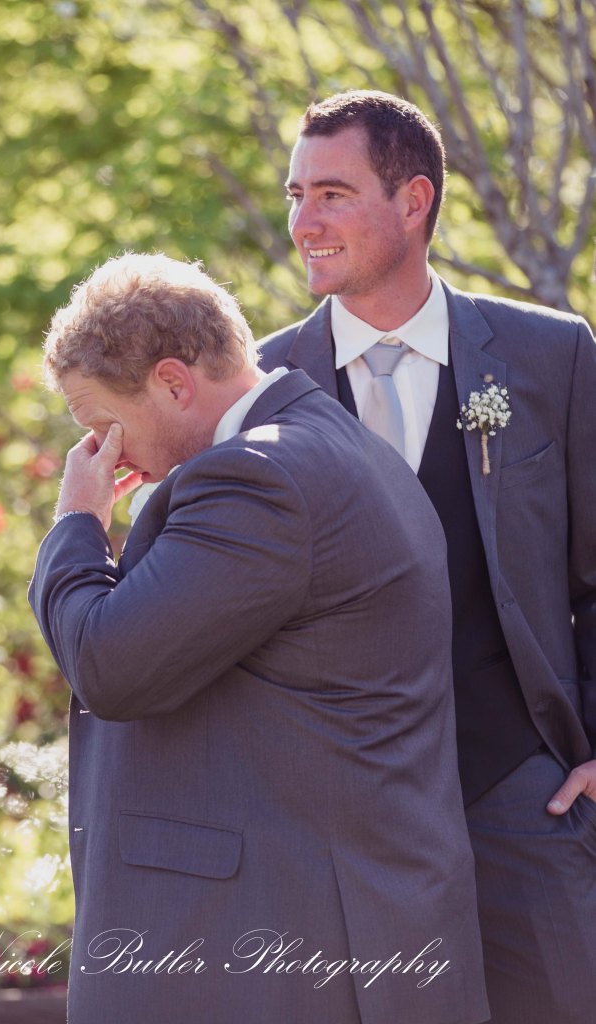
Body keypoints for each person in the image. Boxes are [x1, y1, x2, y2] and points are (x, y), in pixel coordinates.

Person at [28, 252, 488, 1024]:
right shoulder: (330, 445)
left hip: (279, 953)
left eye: (102, 422)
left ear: (173, 383)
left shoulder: (259, 479)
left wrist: (77, 522)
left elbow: (108, 664)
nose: (101, 453)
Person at [258, 89, 596, 1024]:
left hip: (526, 797)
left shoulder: (551, 355)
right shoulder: (262, 383)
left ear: (414, 201)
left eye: (331, 194)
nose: (303, 223)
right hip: (336, 825)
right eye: (295, 196)